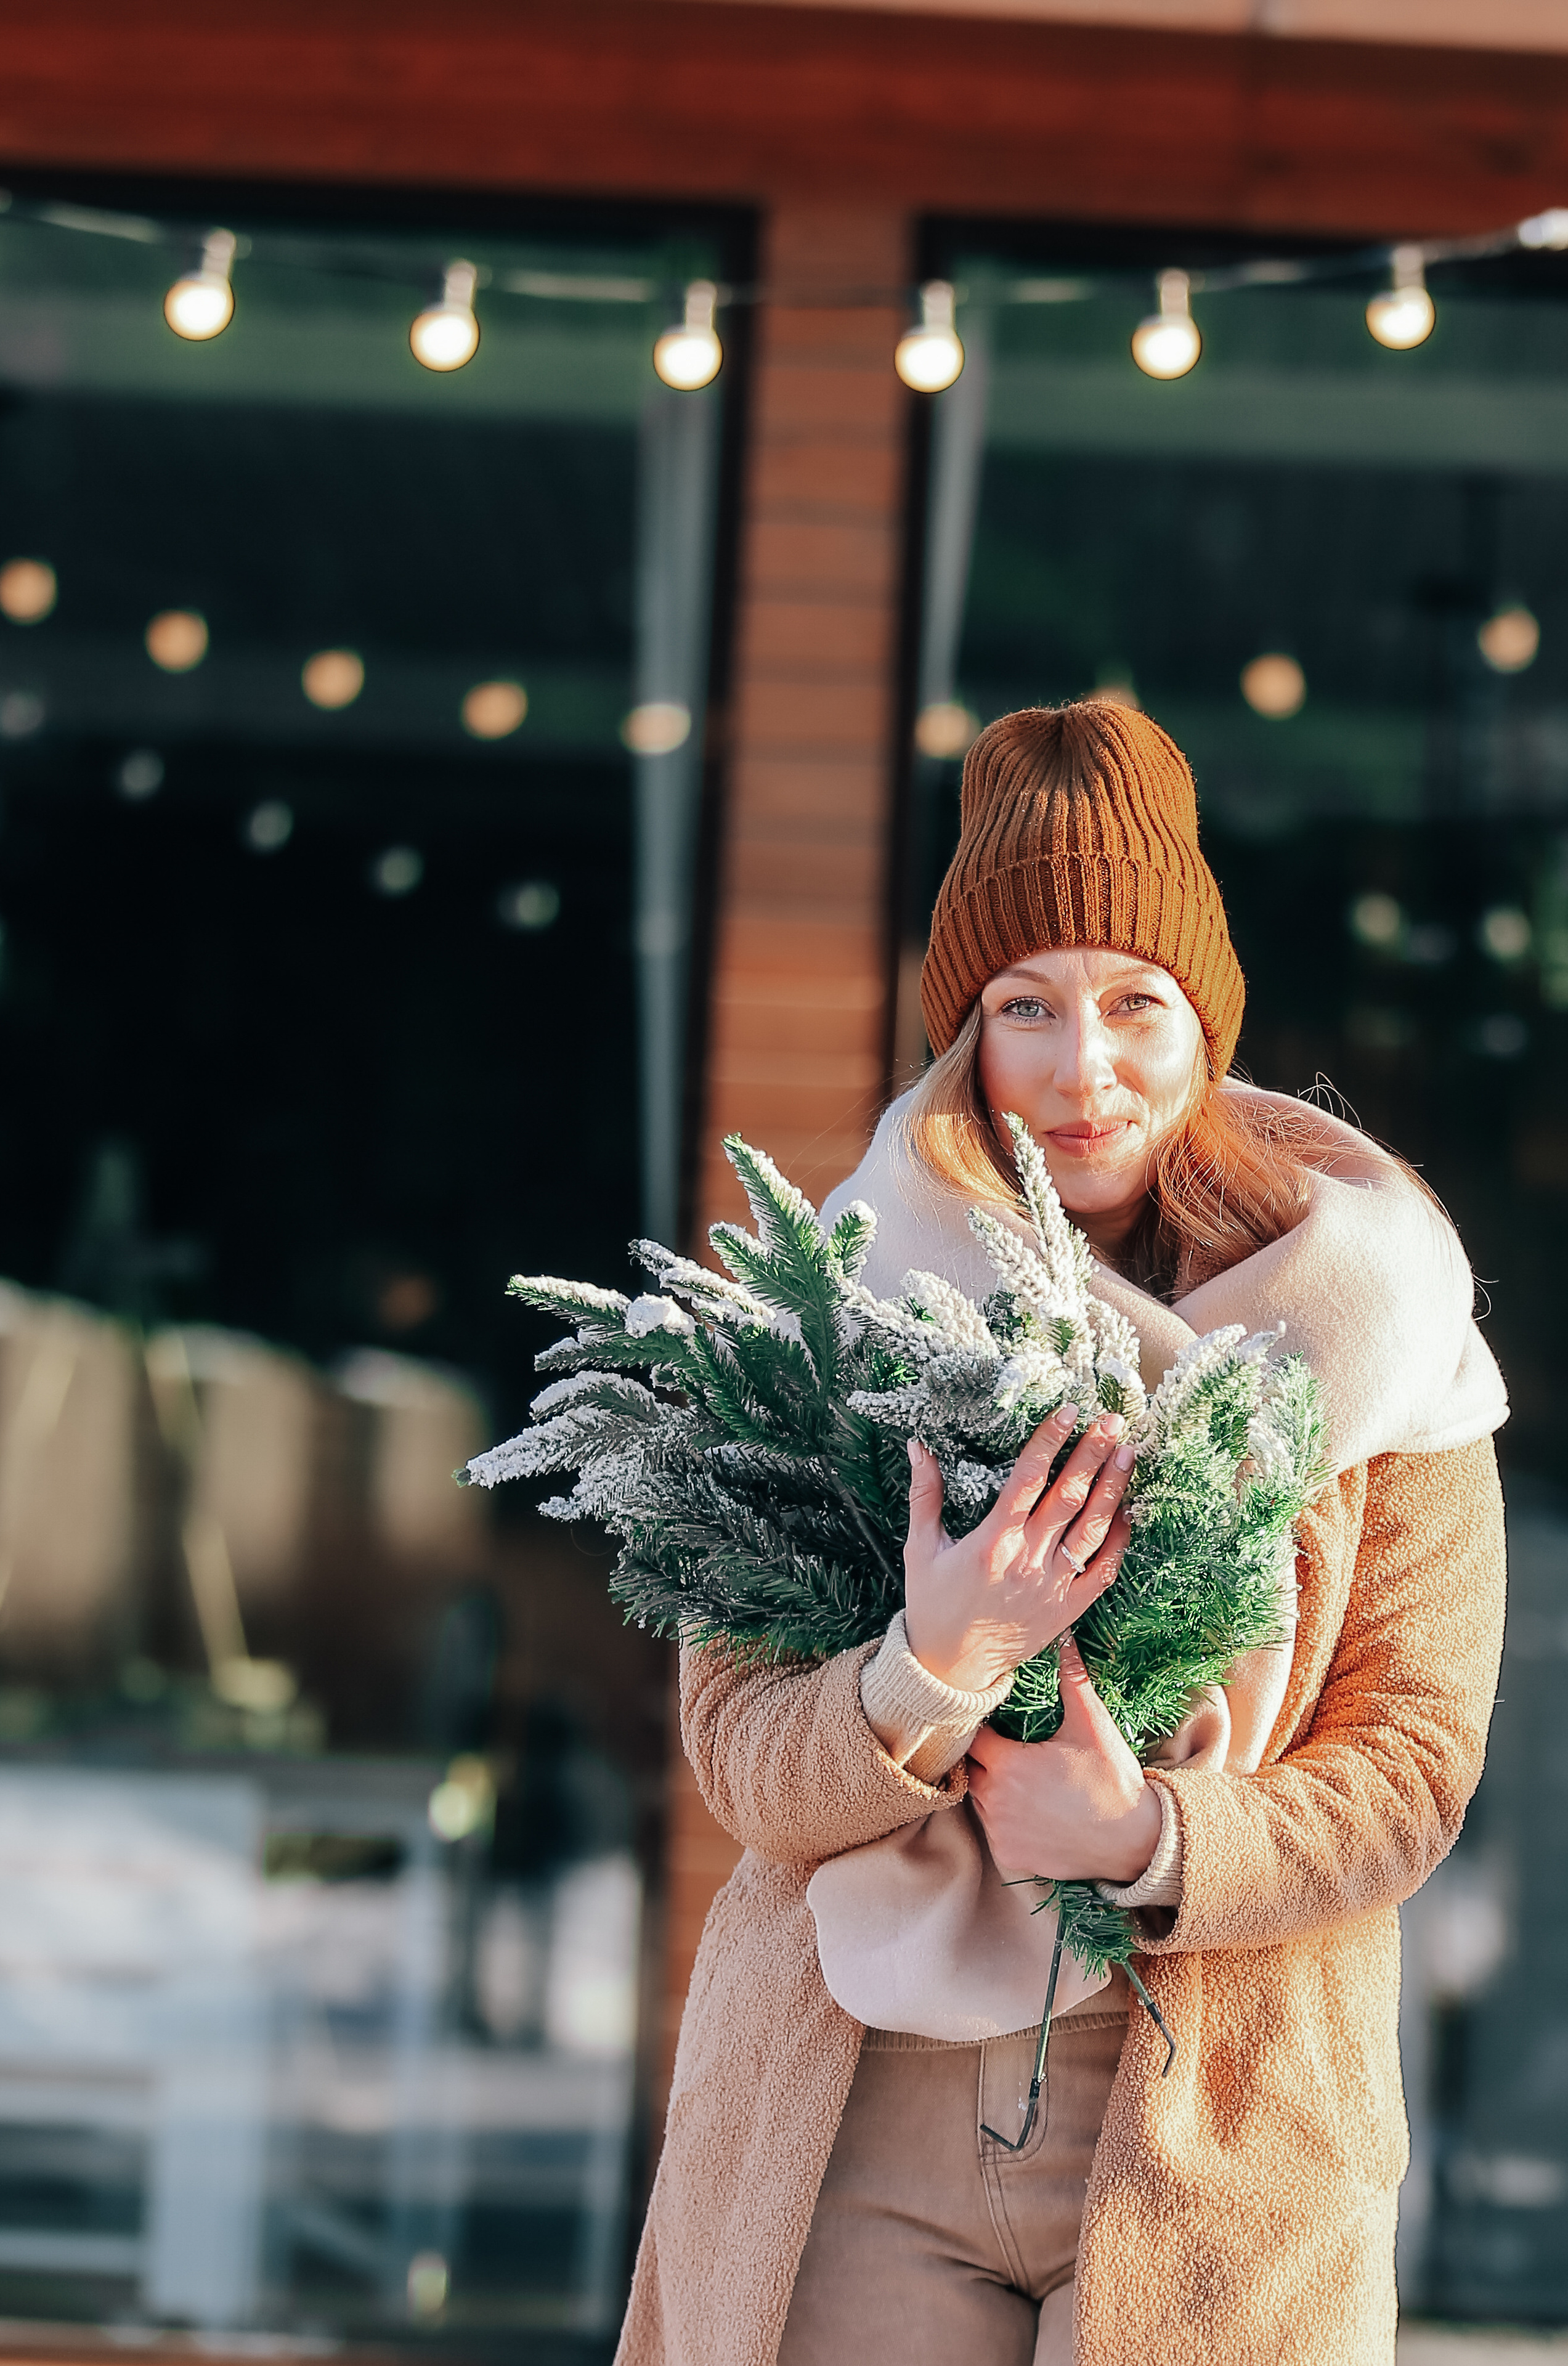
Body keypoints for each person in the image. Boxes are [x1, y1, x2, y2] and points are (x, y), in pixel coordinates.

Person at [615, 701, 1508, 2366]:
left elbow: (1413, 1769)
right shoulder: (830, 1323)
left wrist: (1145, 1835)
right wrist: (933, 1663)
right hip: (857, 2099)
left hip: (1213, 2119)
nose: (1082, 1065)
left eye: (1132, 1005)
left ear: (1204, 1021)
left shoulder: (1388, 1351)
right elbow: (739, 1756)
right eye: (1025, 1006)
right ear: (964, 1032)